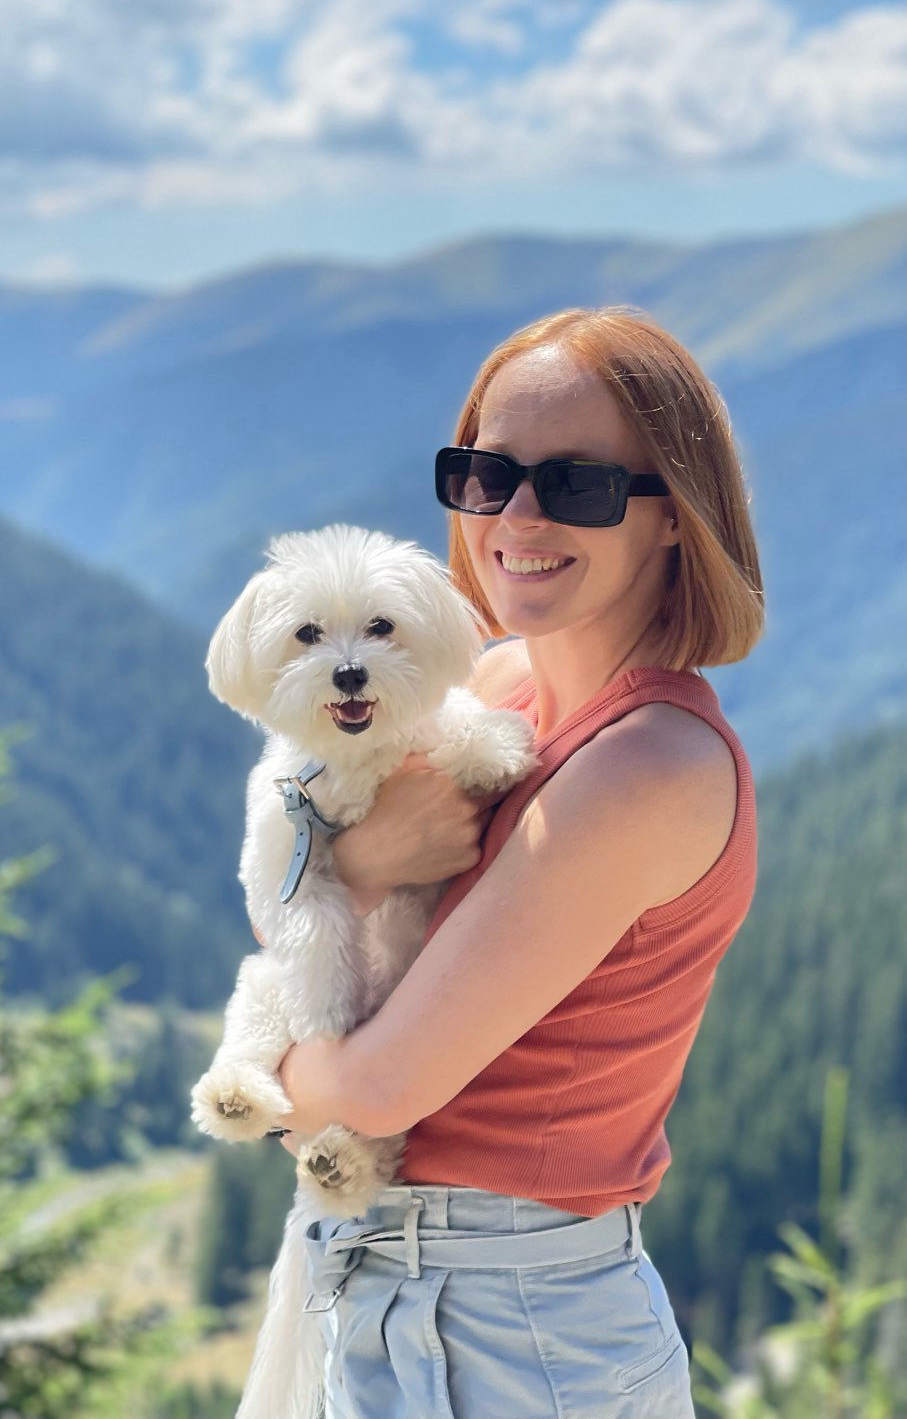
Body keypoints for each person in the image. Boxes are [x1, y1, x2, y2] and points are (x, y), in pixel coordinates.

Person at [273, 304, 764, 1417]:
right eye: (487, 476)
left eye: (578, 486)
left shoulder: (646, 767)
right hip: (417, 1303)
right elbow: (303, 927)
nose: (517, 517)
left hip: (511, 1332)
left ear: (676, 516)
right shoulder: (493, 691)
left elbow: (379, 1086)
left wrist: (274, 1085)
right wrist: (354, 871)